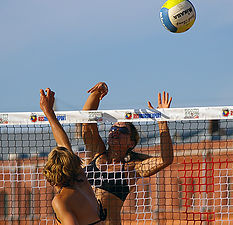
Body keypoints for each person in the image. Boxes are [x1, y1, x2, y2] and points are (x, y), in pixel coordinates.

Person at [81, 82, 174, 225]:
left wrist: (162, 122)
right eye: (113, 129)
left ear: (131, 143)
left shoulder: (131, 168)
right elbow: (86, 122)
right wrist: (97, 93)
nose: (115, 132)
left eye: (122, 131)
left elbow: (165, 159)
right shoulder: (97, 152)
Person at [40, 88, 106, 225]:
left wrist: (48, 112)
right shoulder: (81, 179)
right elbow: (64, 144)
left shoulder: (60, 200)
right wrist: (49, 113)